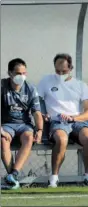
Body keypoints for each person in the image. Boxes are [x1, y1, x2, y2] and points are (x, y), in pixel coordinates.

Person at [37, 53, 88, 188]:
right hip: (57, 122)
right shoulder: (45, 81)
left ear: (71, 68)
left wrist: (73, 118)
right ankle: (54, 178)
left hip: (77, 121)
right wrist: (42, 113)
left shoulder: (81, 85)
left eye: (63, 71)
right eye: (57, 71)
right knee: (62, 139)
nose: (60, 74)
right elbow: (37, 101)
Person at [1, 58, 43, 189]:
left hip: (24, 124)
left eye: (24, 73)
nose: (22, 76)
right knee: (3, 140)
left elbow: (36, 112)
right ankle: (11, 178)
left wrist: (40, 130)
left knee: (29, 137)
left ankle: (13, 175)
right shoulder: (2, 86)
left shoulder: (30, 88)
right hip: (6, 124)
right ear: (10, 73)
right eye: (18, 73)